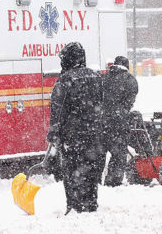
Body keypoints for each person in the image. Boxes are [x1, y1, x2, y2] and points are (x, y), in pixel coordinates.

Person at [47, 42, 106, 214]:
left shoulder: (65, 80)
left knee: (73, 172)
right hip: (94, 134)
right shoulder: (96, 77)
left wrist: (54, 132)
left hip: (73, 136)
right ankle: (91, 203)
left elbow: (57, 109)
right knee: (91, 171)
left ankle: (74, 206)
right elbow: (102, 104)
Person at [102, 55, 139, 187]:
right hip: (118, 124)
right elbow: (129, 103)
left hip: (99, 123)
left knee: (98, 153)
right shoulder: (130, 80)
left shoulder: (103, 78)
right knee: (118, 154)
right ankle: (113, 182)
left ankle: (94, 181)